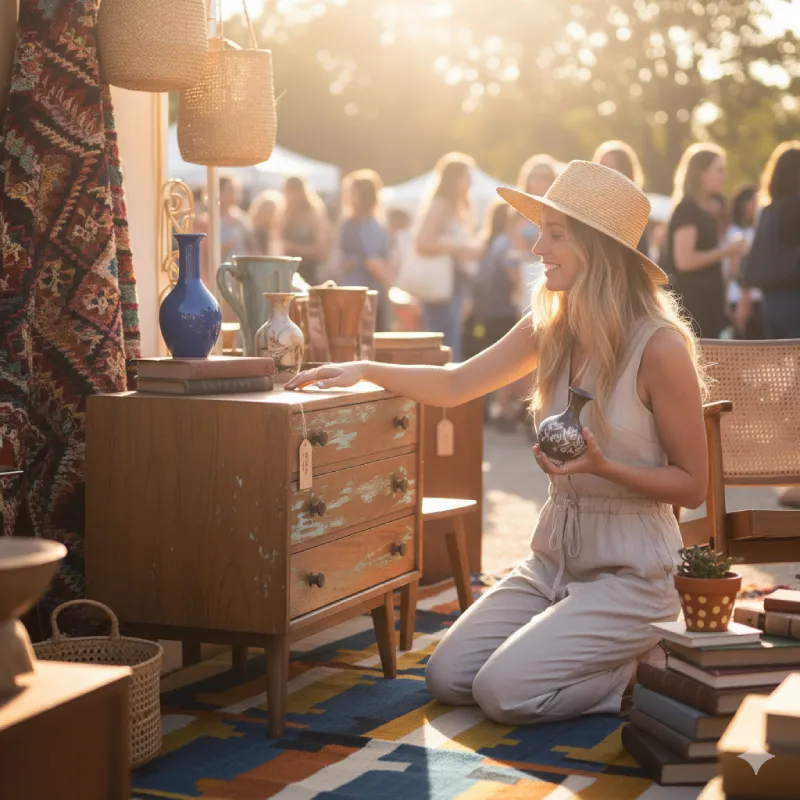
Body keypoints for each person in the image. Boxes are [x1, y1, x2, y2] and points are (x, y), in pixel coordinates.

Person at [285, 161, 708, 726]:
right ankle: (586, 648)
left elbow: (693, 485)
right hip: (553, 560)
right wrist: (364, 368)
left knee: (504, 694)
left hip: (634, 574)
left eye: (556, 233)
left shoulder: (659, 348)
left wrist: (605, 466)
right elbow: (457, 383)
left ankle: (642, 669)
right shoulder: (552, 326)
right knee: (449, 677)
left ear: (598, 248)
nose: (537, 247)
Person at [660, 143, 748, 338]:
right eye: (718, 170)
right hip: (693, 308)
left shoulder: (706, 211)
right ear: (701, 172)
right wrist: (727, 250)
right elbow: (685, 261)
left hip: (709, 307)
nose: (724, 176)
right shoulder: (687, 210)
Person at [414, 153, 482, 362]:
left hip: (454, 282)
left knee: (451, 336)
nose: (470, 181)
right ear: (455, 179)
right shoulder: (442, 204)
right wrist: (458, 247)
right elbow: (422, 242)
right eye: (466, 176)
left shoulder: (458, 207)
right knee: (445, 340)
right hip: (442, 284)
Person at [472, 201, 522, 429]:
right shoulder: (506, 243)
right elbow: (514, 276)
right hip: (502, 310)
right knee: (509, 362)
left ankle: (496, 407)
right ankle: (502, 408)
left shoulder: (491, 243)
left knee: (496, 359)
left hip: (488, 311)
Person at [336, 169, 394, 331]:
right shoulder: (349, 223)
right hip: (351, 294)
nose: (347, 195)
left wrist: (389, 287)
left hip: (367, 296)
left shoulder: (370, 226)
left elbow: (374, 263)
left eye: (352, 191)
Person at [592, 140, 650, 256]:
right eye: (601, 165)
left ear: (625, 171)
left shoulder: (634, 208)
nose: (604, 170)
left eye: (610, 166)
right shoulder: (589, 205)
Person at [725, 185, 762, 339]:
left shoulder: (758, 230)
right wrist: (743, 299)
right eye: (751, 200)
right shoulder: (733, 232)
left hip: (758, 297)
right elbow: (734, 269)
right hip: (738, 298)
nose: (755, 204)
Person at [281, 175, 330, 286]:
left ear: (299, 192)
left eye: (289, 193)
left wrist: (293, 248)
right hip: (288, 274)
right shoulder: (286, 214)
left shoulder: (313, 214)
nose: (287, 197)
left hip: (310, 274)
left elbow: (320, 250)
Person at [248, 189, 285, 254]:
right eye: (266, 210)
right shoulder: (253, 232)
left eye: (272, 211)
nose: (269, 214)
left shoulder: (278, 233)